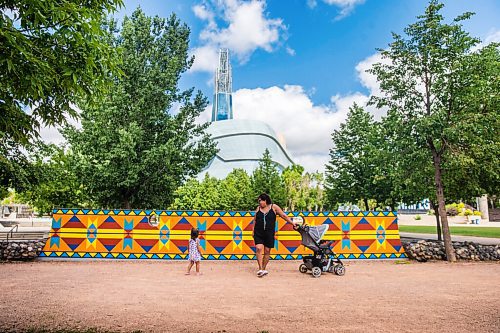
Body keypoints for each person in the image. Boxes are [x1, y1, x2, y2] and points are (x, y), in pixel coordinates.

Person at [252, 193, 297, 277]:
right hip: (258, 232)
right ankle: (260, 268)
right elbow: (255, 220)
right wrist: (253, 230)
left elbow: (283, 215)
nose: (259, 202)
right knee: (258, 248)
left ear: (265, 201)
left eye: (260, 201)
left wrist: (292, 223)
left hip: (269, 233)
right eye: (259, 201)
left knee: (267, 251)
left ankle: (264, 268)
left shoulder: (274, 207)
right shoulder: (258, 208)